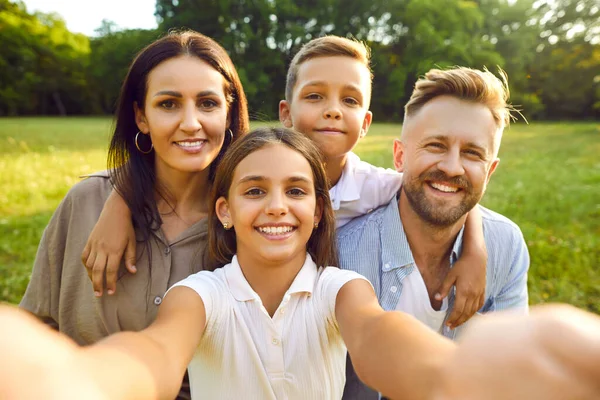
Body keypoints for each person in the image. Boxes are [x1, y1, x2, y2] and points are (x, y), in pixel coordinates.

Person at [2, 128, 600, 400]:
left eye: (296, 191)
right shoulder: (200, 295)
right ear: (226, 211)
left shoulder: (343, 290)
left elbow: (379, 337)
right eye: (255, 190)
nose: (277, 207)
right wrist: (86, 382)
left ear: (319, 210)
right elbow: (155, 354)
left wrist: (452, 379)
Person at [85, 36, 488, 328]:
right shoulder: (253, 167)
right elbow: (174, 174)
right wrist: (120, 201)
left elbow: (439, 188)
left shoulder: (371, 185)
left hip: (324, 316)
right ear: (286, 113)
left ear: (365, 123)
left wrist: (476, 251)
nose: (332, 111)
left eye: (349, 100)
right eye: (315, 97)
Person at [18, 30, 249, 398]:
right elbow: (36, 327)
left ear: (229, 112)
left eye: (207, 103)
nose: (191, 122)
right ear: (141, 117)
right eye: (169, 104)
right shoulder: (87, 202)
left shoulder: (250, 217)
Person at [338, 67, 530, 399]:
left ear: (490, 170)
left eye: (472, 153)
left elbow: (509, 376)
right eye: (436, 145)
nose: (452, 167)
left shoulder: (506, 246)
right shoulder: (345, 253)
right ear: (400, 156)